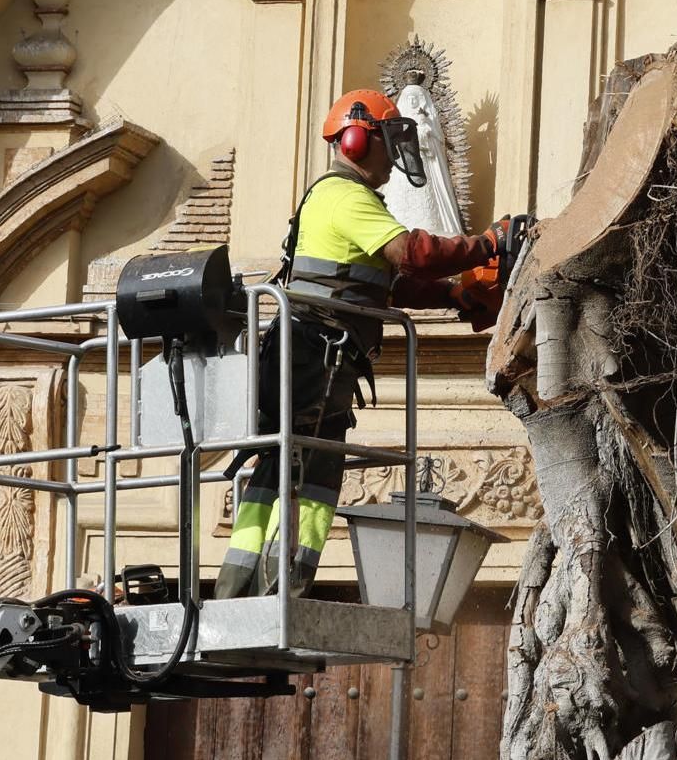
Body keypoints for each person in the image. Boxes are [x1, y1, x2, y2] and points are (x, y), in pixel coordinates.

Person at [216, 89, 514, 598]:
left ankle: (244, 585)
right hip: (315, 350)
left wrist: (456, 296)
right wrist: (488, 243)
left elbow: (388, 284)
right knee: (309, 467)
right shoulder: (344, 195)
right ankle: (278, 587)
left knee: (290, 463)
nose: (396, 163)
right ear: (356, 139)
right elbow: (412, 253)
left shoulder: (342, 202)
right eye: (388, 143)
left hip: (314, 352)